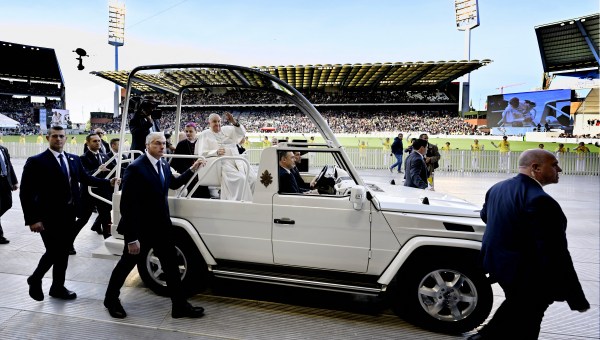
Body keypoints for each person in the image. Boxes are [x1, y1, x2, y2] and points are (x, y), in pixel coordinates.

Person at [470, 149, 589, 340]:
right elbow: (556, 252)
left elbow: (487, 217)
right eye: (554, 164)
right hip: (528, 273)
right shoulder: (540, 200)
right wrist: (576, 297)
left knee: (518, 309)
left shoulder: (498, 188)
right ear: (536, 168)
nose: (560, 168)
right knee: (528, 318)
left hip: (499, 265)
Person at [104, 132, 206, 319]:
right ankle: (111, 299)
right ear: (147, 145)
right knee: (126, 265)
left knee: (171, 266)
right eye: (157, 143)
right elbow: (127, 205)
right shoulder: (136, 168)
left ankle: (179, 305)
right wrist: (132, 238)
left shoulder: (163, 164)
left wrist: (193, 169)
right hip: (140, 229)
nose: (162, 146)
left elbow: (173, 184)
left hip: (161, 227)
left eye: (164, 143)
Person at [20, 126, 117, 302]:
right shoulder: (36, 161)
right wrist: (33, 219)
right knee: (55, 250)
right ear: (48, 138)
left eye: (61, 136)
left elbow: (86, 179)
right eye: (55, 136)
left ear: (66, 139)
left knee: (63, 252)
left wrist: (107, 182)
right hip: (47, 216)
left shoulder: (73, 159)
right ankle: (35, 278)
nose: (58, 139)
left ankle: (57, 287)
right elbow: (26, 193)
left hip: (69, 214)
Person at [197, 112, 254, 201]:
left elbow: (241, 133)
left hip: (237, 160)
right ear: (209, 123)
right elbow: (201, 153)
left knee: (252, 178)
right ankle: (241, 205)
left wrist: (234, 122)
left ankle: (254, 203)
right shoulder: (205, 134)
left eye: (219, 121)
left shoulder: (227, 129)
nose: (217, 124)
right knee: (241, 179)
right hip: (222, 163)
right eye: (214, 122)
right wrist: (215, 152)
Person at [71, 133, 114, 247]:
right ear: (88, 143)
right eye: (94, 141)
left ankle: (108, 243)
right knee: (83, 220)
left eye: (99, 140)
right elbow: (83, 176)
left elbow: (114, 169)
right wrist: (98, 169)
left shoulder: (105, 156)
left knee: (106, 218)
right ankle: (68, 242)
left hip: (103, 193)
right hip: (88, 194)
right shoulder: (82, 158)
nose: (98, 143)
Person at [170, 122, 210, 198]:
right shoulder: (181, 144)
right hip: (187, 173)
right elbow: (175, 162)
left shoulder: (202, 143)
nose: (188, 133)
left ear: (196, 131)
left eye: (191, 131)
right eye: (186, 131)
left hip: (200, 174)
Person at [0, 144, 18, 244]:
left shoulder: (3, 149)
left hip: (5, 182)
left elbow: (9, 165)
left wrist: (14, 181)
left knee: (8, 204)